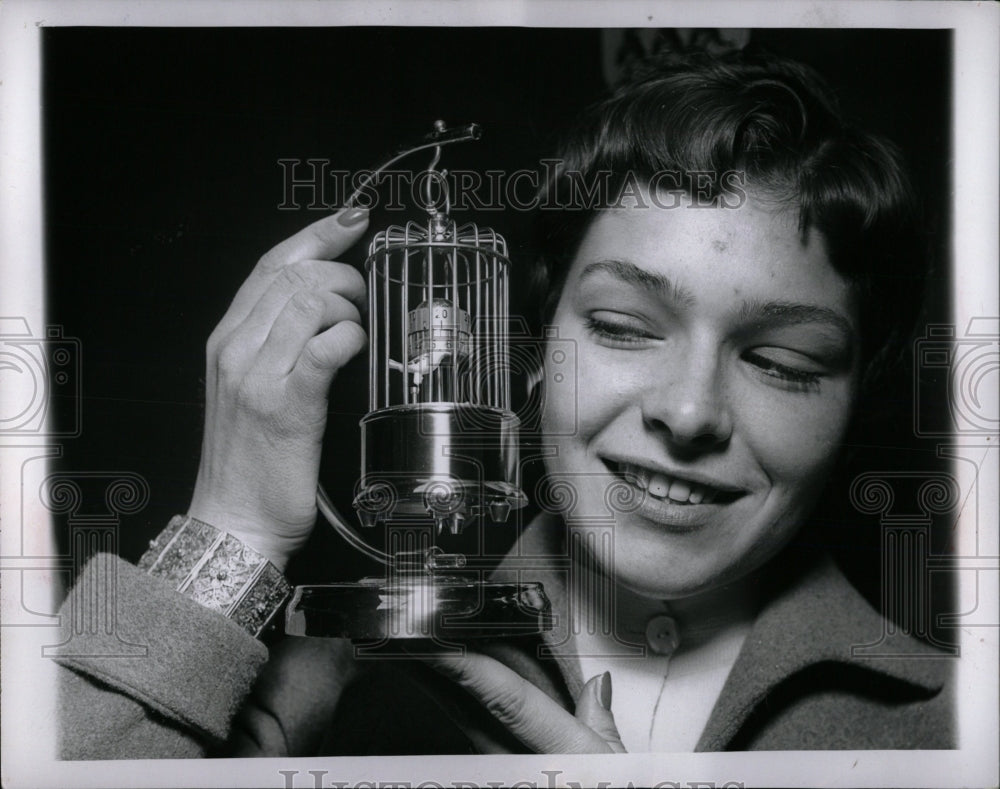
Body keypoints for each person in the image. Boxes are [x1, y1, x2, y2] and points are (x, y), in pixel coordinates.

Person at [54, 48, 952, 759]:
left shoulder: (955, 728)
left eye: (783, 359)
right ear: (529, 345)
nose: (689, 413)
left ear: (858, 392)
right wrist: (230, 535)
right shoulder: (311, 700)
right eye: (624, 326)